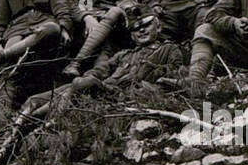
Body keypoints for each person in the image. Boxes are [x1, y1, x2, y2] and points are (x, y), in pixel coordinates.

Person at [17, 10, 184, 126]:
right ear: (131, 36)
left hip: (121, 95)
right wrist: (89, 75)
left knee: (81, 84)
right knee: (35, 99)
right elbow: (103, 69)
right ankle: (18, 125)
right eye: (135, 29)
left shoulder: (168, 50)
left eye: (145, 26)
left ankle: (39, 120)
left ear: (159, 27)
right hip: (102, 88)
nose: (141, 31)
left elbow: (172, 77)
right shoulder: (124, 54)